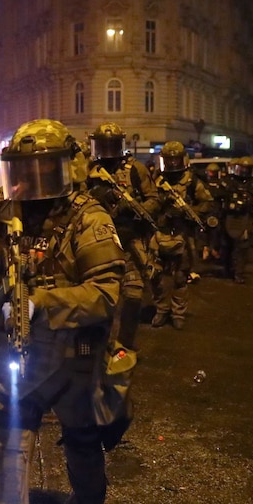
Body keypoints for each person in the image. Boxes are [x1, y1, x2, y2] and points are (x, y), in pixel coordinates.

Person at [0, 119, 127, 504]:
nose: (30, 182)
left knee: (84, 450)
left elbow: (105, 294)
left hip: (74, 361)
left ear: (66, 167)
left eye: (44, 170)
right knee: (7, 454)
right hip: (16, 361)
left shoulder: (87, 217)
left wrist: (41, 304)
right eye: (22, 171)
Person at [85, 122, 160, 350]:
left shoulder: (135, 169)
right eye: (103, 145)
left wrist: (136, 210)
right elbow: (76, 199)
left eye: (112, 145)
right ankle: (98, 345)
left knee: (134, 295)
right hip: (98, 241)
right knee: (97, 295)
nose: (107, 150)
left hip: (129, 239)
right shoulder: (87, 170)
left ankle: (124, 346)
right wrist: (98, 197)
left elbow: (153, 198)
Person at [150, 142, 213, 328]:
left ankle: (178, 313)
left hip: (183, 234)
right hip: (159, 233)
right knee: (156, 276)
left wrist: (188, 212)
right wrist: (161, 208)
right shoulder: (156, 179)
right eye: (168, 160)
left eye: (175, 160)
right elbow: (147, 201)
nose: (172, 164)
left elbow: (207, 202)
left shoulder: (192, 181)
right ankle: (161, 310)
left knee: (180, 276)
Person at [220, 157, 253, 283]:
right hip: (228, 217)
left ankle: (238, 273)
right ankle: (227, 269)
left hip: (245, 217)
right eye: (242, 168)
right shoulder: (229, 181)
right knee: (226, 246)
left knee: (242, 247)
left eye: (247, 169)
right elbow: (218, 195)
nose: (244, 171)